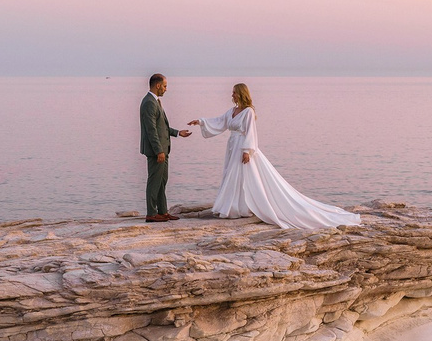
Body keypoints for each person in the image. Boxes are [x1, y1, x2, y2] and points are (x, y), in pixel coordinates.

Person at [192, 83, 362, 231]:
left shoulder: (248, 112)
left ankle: (240, 208)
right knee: (232, 174)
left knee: (241, 175)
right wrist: (201, 122)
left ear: (241, 93)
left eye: (234, 92)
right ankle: (235, 206)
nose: (232, 94)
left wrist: (247, 150)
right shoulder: (232, 111)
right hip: (232, 146)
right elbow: (220, 121)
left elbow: (251, 131)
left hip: (242, 146)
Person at [138, 74, 192, 220]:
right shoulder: (149, 102)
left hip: (163, 149)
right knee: (154, 181)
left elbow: (162, 127)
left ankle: (162, 211)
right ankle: (151, 213)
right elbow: (151, 130)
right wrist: (158, 151)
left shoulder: (156, 102)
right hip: (157, 151)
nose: (166, 89)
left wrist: (178, 133)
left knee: (162, 181)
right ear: (158, 85)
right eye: (165, 86)